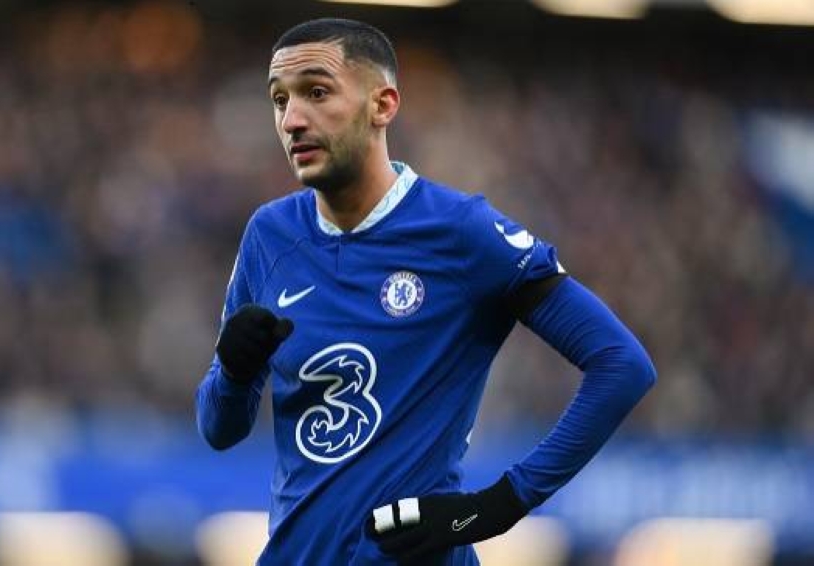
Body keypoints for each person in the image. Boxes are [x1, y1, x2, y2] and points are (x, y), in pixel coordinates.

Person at [195, 17, 656, 565]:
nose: (292, 119)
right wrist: (234, 372)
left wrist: (494, 506)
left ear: (382, 105)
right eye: (279, 99)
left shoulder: (461, 232)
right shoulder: (269, 235)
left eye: (316, 93)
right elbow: (219, 429)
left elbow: (621, 364)